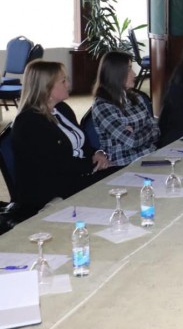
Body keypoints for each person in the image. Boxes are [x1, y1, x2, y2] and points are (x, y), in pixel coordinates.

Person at [10, 60, 112, 216]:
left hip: (76, 175)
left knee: (121, 177)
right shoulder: (28, 122)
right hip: (50, 189)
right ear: (46, 87)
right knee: (114, 187)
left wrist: (97, 153)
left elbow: (82, 144)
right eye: (63, 81)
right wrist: (92, 165)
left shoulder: (62, 109)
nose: (68, 84)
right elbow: (56, 164)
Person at [91, 51, 160, 167]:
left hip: (150, 156)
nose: (134, 74)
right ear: (116, 74)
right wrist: (148, 130)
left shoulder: (137, 97)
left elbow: (157, 131)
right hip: (125, 166)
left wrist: (135, 132)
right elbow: (131, 141)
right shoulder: (102, 106)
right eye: (129, 69)